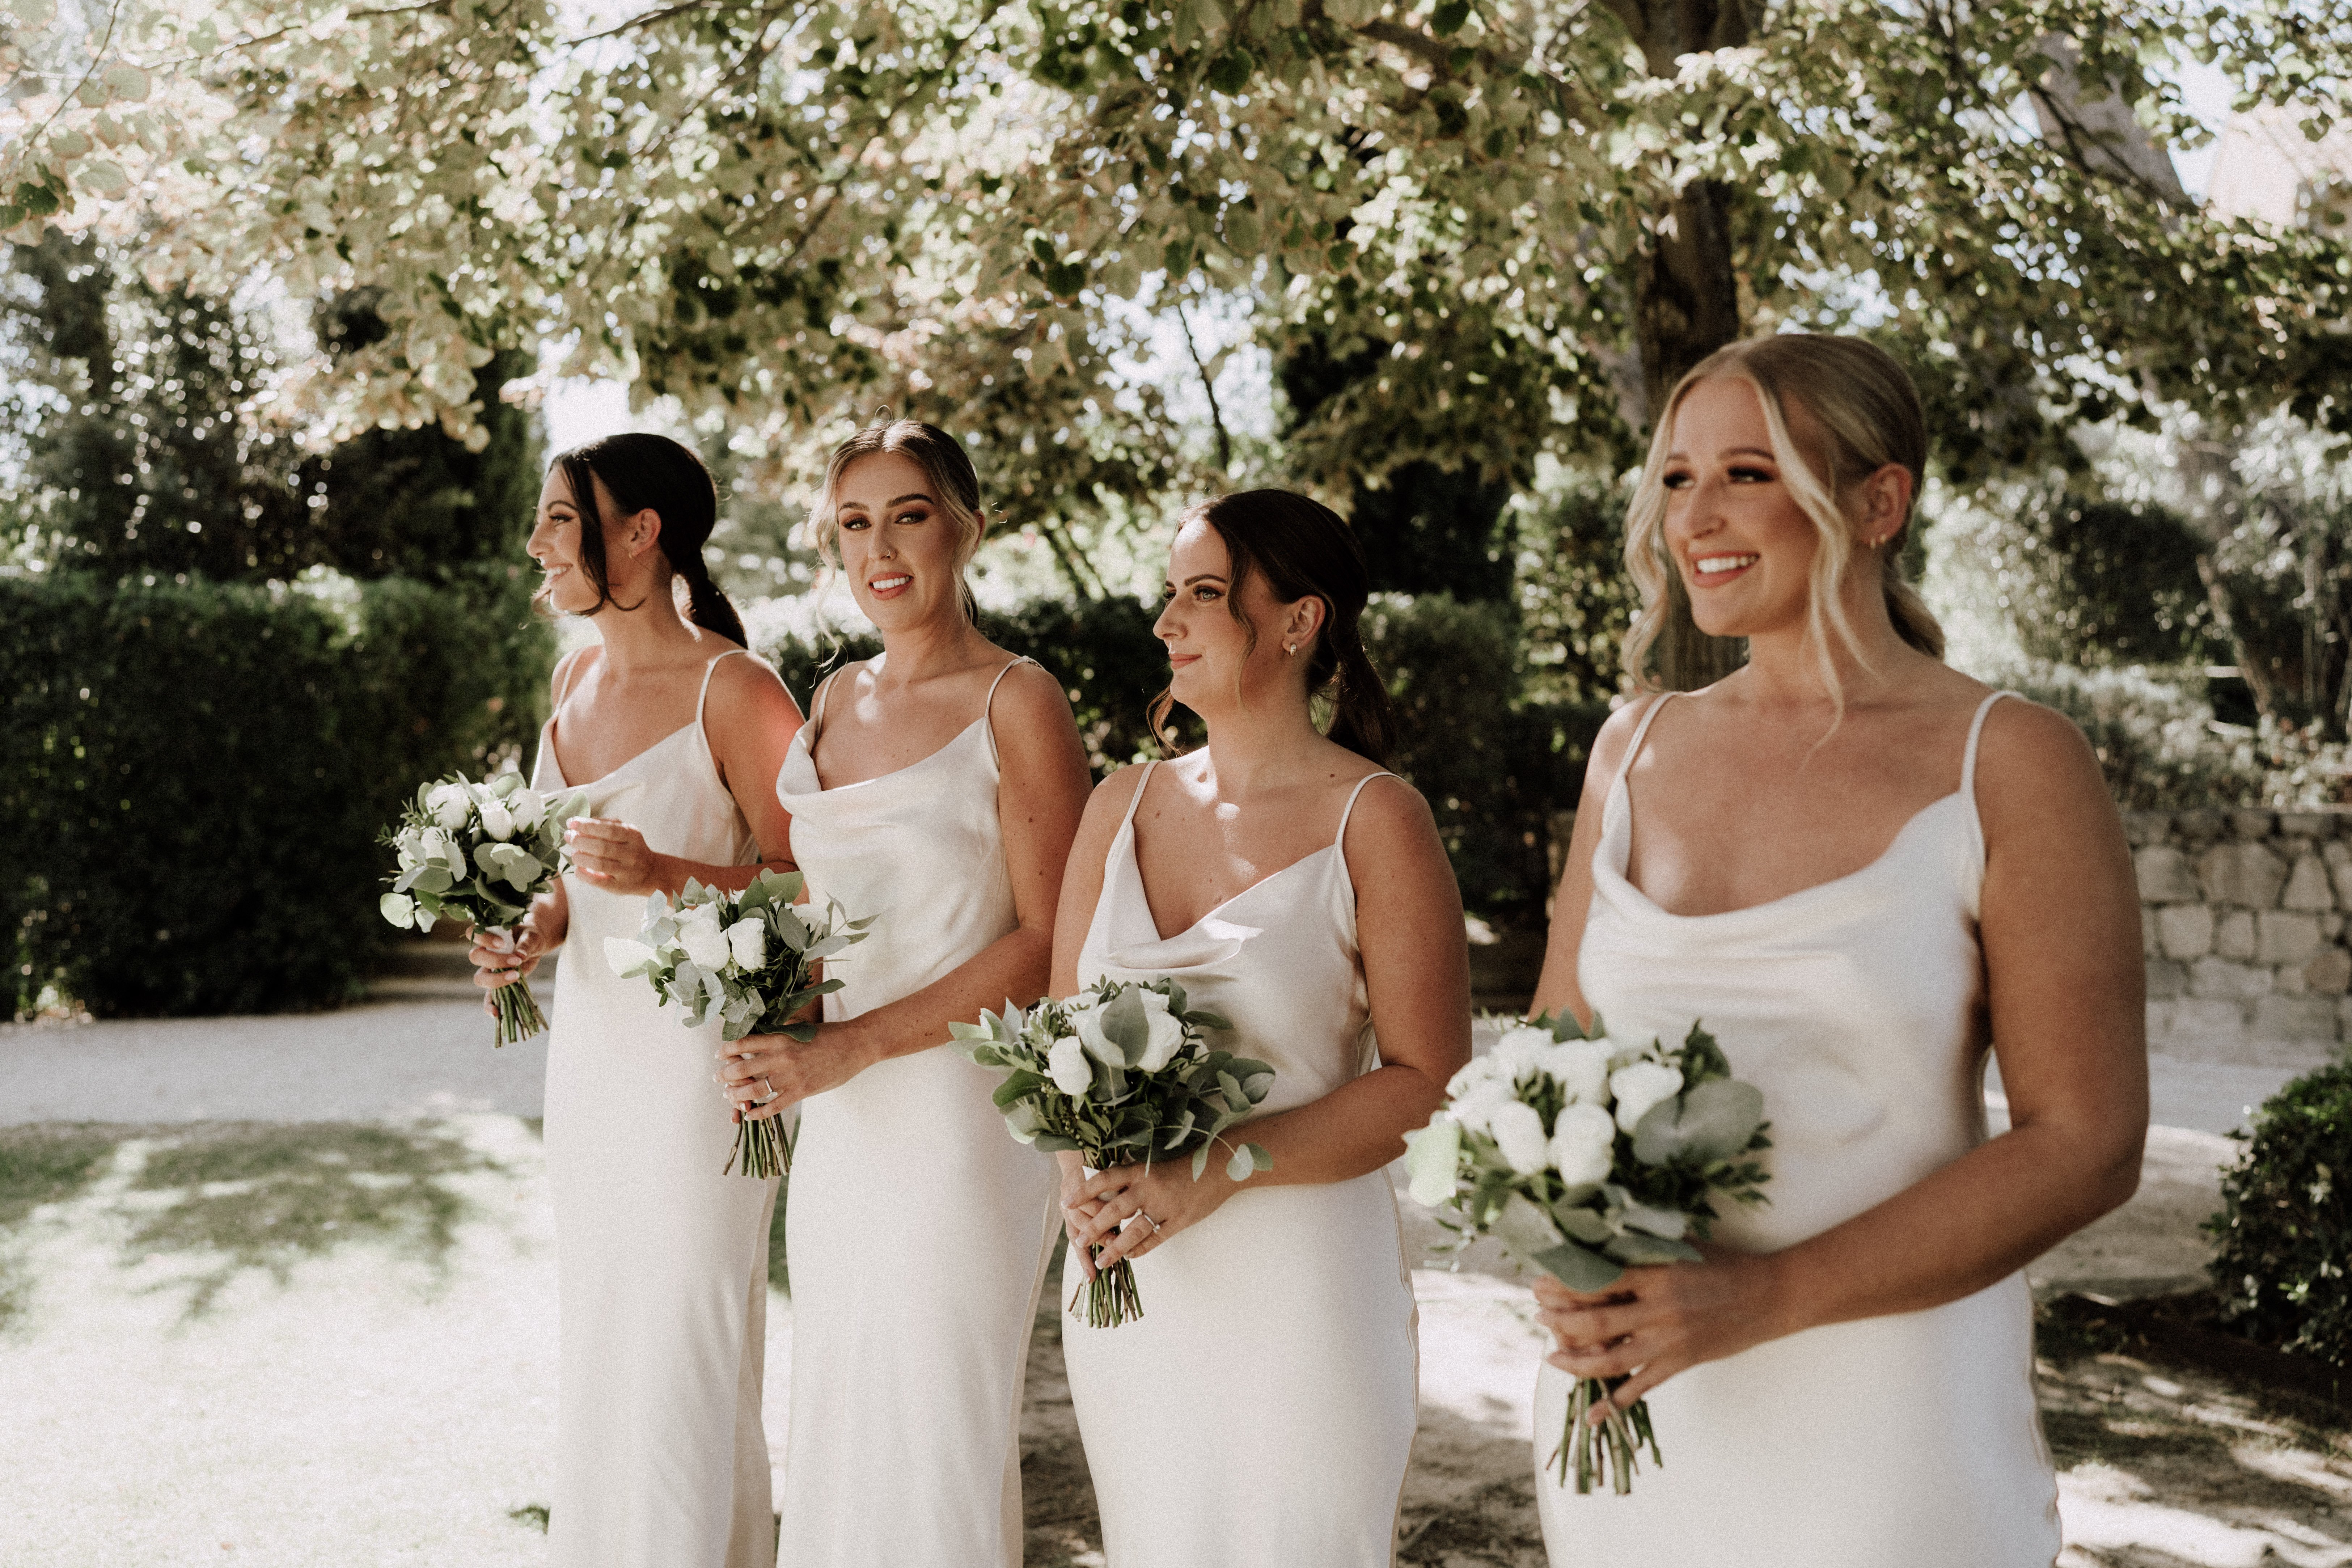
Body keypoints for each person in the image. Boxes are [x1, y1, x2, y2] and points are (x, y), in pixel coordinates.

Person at [1528, 334, 2147, 1566]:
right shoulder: (1632, 749)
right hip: (1634, 1413)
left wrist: (1761, 1297)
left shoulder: (2008, 760)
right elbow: (1550, 1065)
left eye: (1747, 473)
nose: (1694, 516)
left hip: (1889, 1435)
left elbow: (2086, 1144)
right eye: (1673, 478)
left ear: (1878, 501)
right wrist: (1558, 1236)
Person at [1050, 489, 1471, 1567]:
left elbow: (1426, 1079)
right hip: (1134, 1285)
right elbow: (1053, 1039)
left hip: (1301, 1294)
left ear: (1298, 621)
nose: (1165, 623)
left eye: (1203, 593)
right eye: (1169, 593)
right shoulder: (1119, 806)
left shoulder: (1374, 819)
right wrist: (1077, 1177)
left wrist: (1214, 1166)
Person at [713, 419, 1092, 1567]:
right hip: (842, 1121)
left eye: (908, 515)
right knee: (841, 1403)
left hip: (956, 1116)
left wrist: (854, 1046)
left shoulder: (1018, 701)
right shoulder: (831, 698)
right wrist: (774, 1009)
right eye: (854, 522)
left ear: (966, 528)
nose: (880, 547)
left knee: (937, 1420)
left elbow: (1049, 939)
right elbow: (819, 900)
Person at [470, 432, 806, 1567]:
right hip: (597, 1063)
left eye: (559, 519)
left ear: (639, 533)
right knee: (609, 1326)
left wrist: (667, 873)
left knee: (684, 1332)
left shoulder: (736, 687)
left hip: (698, 1064)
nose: (537, 544)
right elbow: (563, 882)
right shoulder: (571, 681)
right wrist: (527, 931)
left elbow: (810, 882)